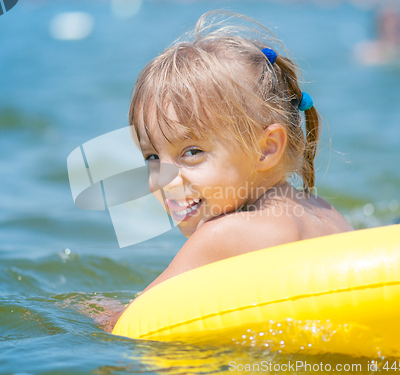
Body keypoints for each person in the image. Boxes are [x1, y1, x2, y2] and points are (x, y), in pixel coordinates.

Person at [104, 10, 353, 332]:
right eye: (152, 156)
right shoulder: (323, 210)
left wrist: (98, 314)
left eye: (191, 152)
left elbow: (131, 324)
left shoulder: (224, 235)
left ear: (267, 147)